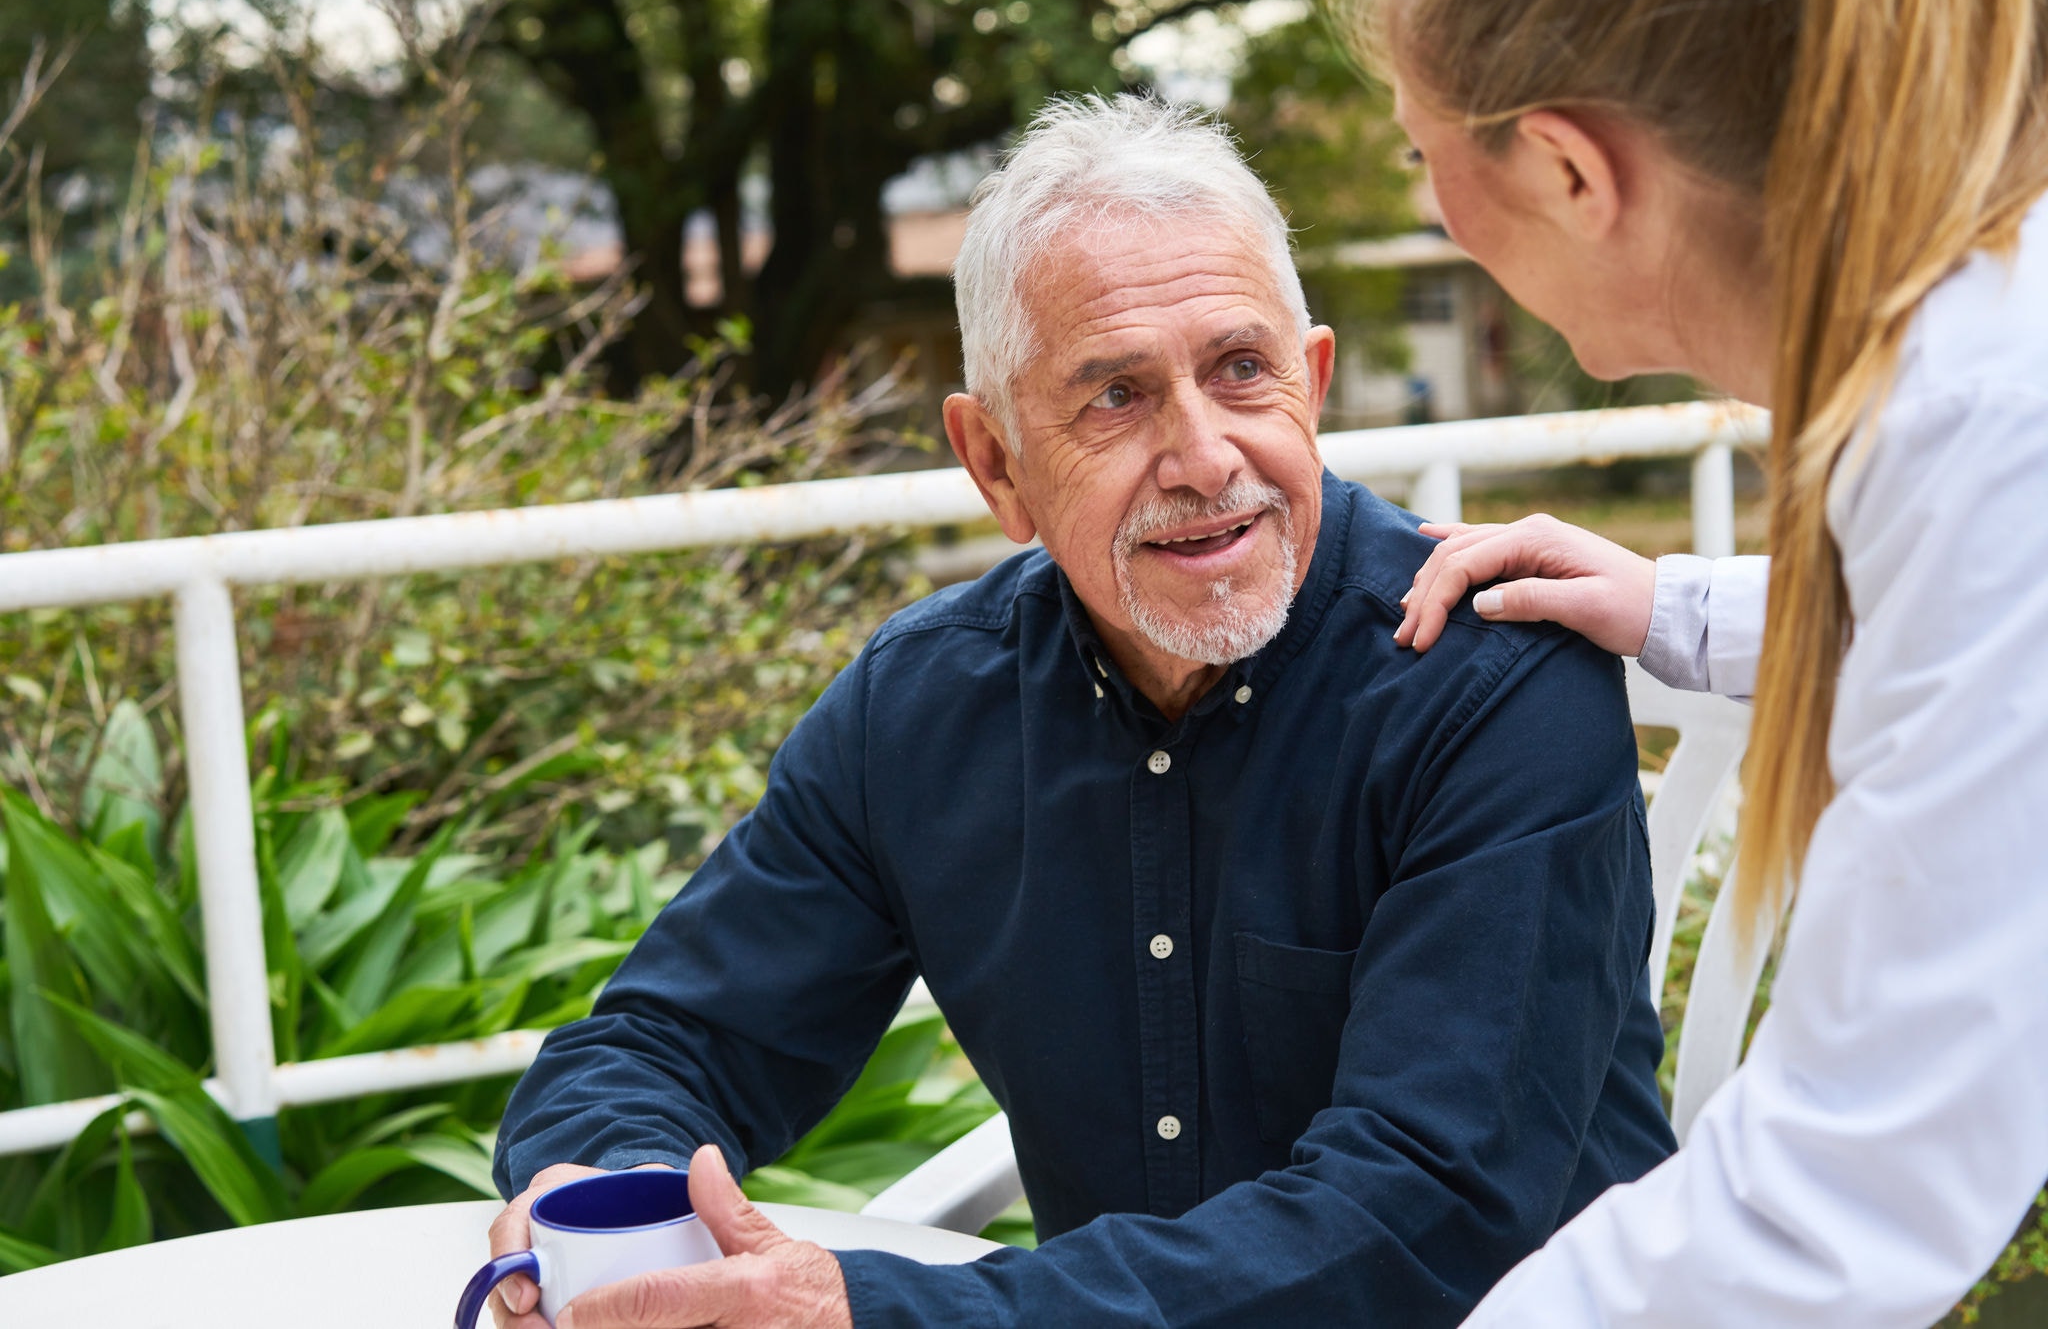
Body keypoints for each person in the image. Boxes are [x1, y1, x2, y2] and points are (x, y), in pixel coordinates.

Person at [483, 94, 1677, 1329]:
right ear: (994, 461)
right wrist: (598, 1187)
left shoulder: (1492, 680)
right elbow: (663, 1043)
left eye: (1239, 369)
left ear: (1311, 384)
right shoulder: (925, 707)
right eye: (1115, 396)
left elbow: (1423, 1214)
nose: (1205, 455)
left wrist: (886, 1317)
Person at [1336, 0, 2048, 1323]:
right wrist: (1689, 608)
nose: (1430, 198)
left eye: (1417, 149)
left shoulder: (1988, 432)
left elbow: (1847, 1190)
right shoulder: (1966, 371)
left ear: (1566, 169)